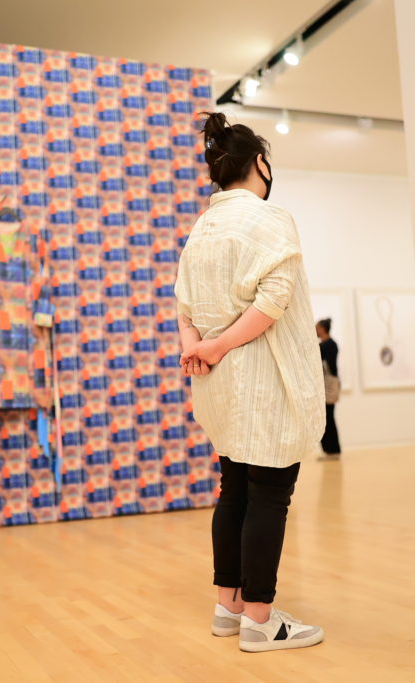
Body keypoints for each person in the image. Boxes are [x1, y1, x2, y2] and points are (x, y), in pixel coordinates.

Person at [175, 112, 325, 652]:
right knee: (270, 494)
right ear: (258, 163)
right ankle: (261, 619)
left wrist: (196, 347)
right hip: (264, 381)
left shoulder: (202, 228)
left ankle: (228, 607)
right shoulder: (269, 218)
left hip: (218, 386)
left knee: (233, 488)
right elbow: (274, 299)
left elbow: (184, 306)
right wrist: (212, 346)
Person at [316, 318, 342, 456]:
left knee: (328, 418)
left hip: (329, 385)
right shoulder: (330, 344)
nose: (315, 330)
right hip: (330, 384)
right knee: (327, 417)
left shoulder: (327, 345)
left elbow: (327, 367)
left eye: (317, 327)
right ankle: (331, 450)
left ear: (322, 328)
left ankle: (332, 450)